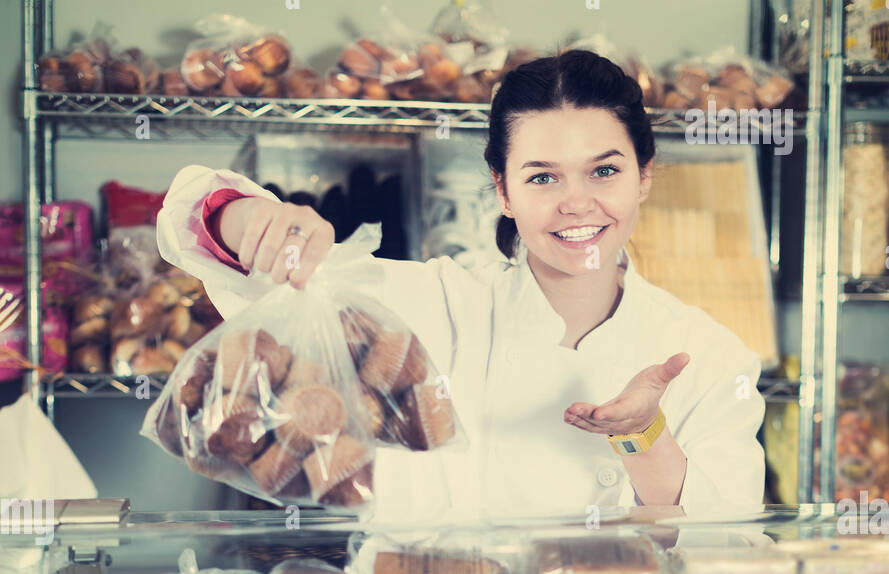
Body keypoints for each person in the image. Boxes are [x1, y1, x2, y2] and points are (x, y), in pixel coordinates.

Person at [157, 48, 765, 524]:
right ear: (503, 191)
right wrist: (252, 221)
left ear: (644, 178)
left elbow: (724, 541)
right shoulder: (429, 304)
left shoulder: (708, 356)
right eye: (543, 177)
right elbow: (198, 219)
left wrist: (642, 434)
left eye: (605, 170)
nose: (578, 204)